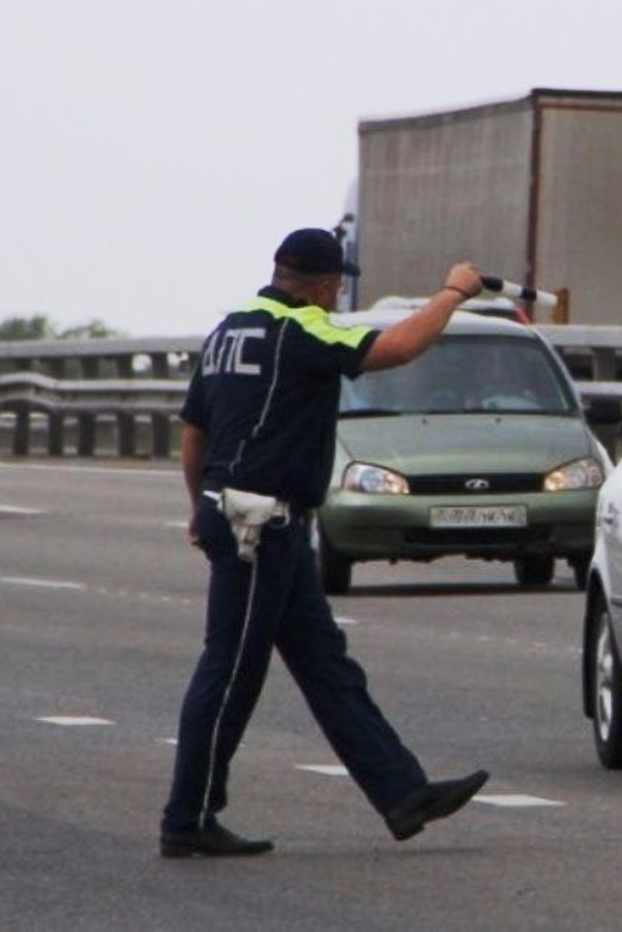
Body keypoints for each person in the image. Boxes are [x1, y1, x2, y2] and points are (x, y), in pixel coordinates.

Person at [160, 227, 490, 858]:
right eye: (337, 284)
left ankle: (401, 792)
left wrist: (198, 507)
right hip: (260, 522)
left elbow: (195, 433)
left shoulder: (231, 331)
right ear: (321, 285)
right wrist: (453, 293)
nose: (338, 295)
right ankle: (187, 817)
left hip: (248, 517)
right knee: (230, 671)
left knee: (326, 665)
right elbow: (395, 347)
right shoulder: (300, 329)